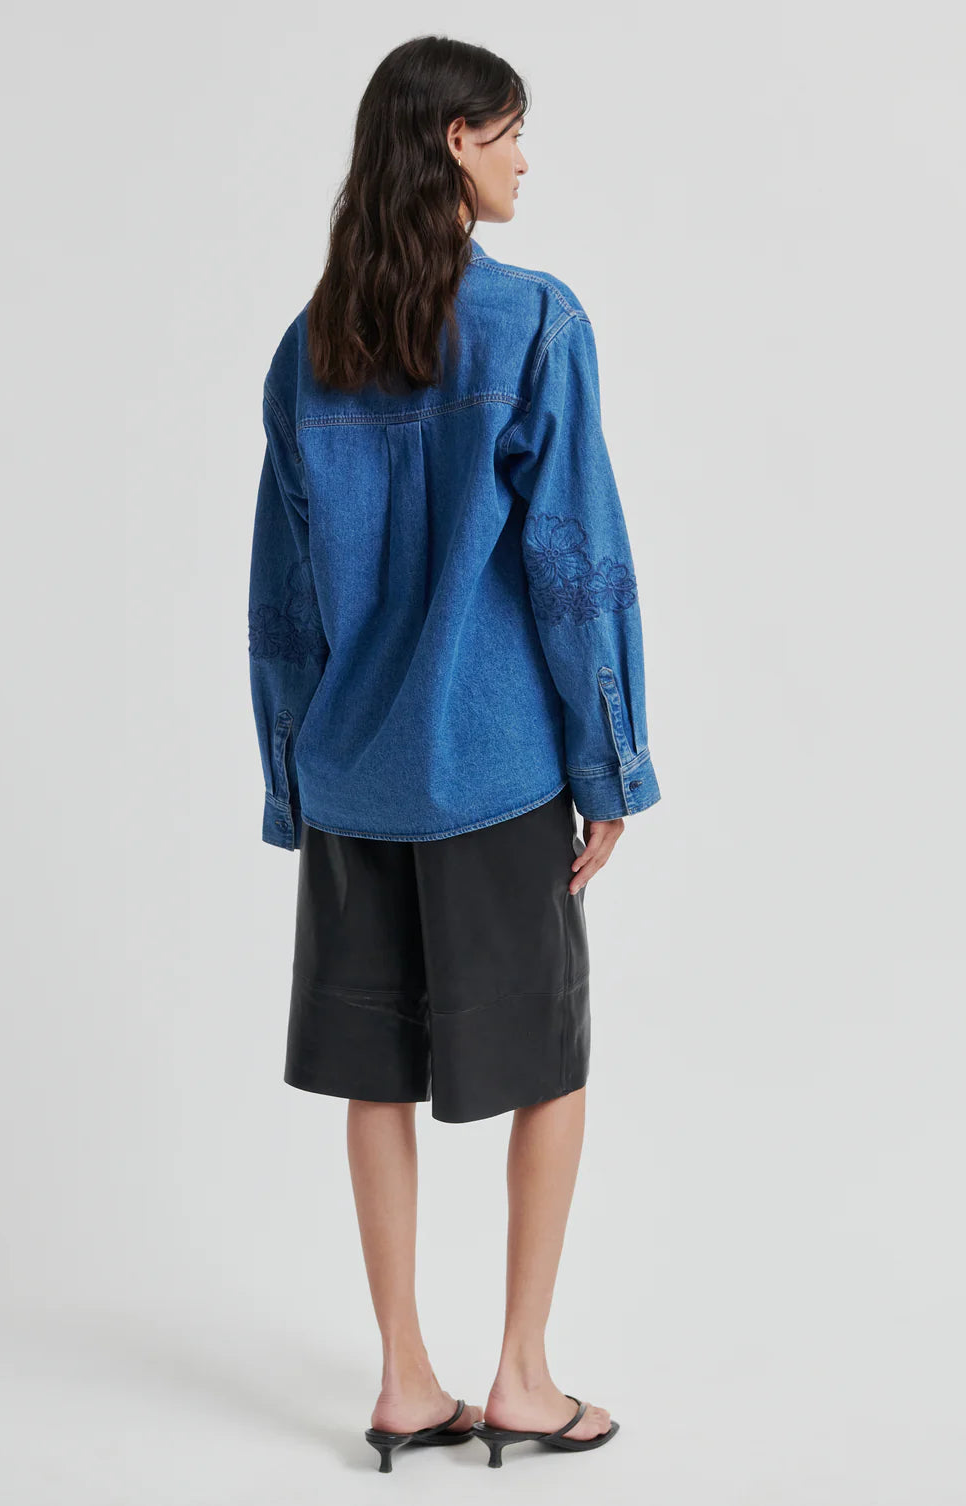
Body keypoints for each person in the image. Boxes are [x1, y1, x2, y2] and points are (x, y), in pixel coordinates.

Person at [247, 36, 662, 1472]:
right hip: (492, 769)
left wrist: (291, 778)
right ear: (452, 143)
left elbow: (284, 599)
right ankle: (524, 1377)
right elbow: (576, 565)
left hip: (353, 774)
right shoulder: (534, 323)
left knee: (379, 1071)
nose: (525, 159)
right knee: (549, 1062)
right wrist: (610, 765)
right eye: (509, 132)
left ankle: (407, 1380)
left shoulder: (308, 349)